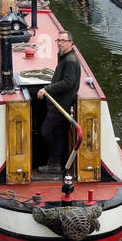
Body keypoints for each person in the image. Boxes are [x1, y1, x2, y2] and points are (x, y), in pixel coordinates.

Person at [37, 32, 81, 174]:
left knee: (46, 131)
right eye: (58, 40)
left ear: (71, 43)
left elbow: (68, 82)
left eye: (63, 41)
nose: (60, 43)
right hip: (59, 103)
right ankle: (55, 162)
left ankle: (54, 161)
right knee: (58, 132)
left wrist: (46, 89)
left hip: (60, 105)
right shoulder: (63, 56)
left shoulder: (70, 61)